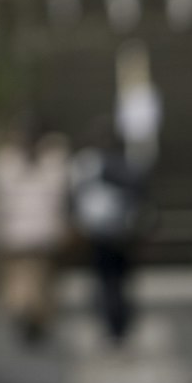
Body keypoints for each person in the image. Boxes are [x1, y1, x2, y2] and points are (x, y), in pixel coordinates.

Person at [0, 125, 69, 343]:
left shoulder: (49, 165)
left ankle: (34, 320)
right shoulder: (6, 166)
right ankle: (28, 319)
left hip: (35, 237)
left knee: (36, 284)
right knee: (24, 285)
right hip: (19, 237)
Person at [69, 120, 144, 344]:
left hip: (117, 232)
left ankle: (117, 322)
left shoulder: (105, 165)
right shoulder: (88, 164)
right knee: (108, 282)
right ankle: (114, 323)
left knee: (113, 281)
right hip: (102, 232)